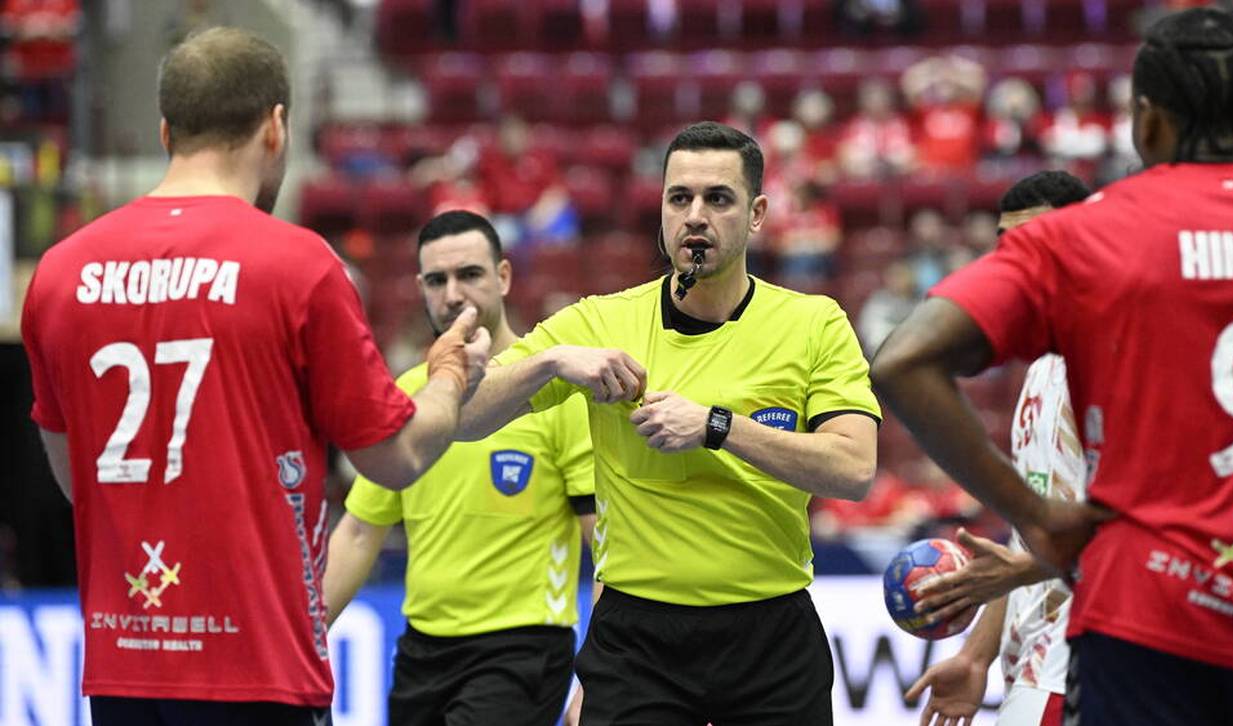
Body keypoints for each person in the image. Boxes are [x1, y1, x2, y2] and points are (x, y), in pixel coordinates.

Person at [19, 27, 489, 726]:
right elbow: (396, 458)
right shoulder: (297, 265)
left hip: (124, 671)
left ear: (165, 129)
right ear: (275, 127)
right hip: (260, 676)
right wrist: (450, 374)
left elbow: (74, 480)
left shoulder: (59, 274)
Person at [872, 8, 1233, 725]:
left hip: (1145, 618)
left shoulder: (1088, 235)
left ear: (1146, 122)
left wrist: (1038, 520)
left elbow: (906, 358)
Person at [460, 121, 881, 725]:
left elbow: (854, 468)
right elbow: (465, 418)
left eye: (719, 198)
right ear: (660, 209)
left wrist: (717, 426)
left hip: (771, 633)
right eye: (679, 198)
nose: (696, 216)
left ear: (757, 212)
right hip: (637, 642)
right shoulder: (599, 323)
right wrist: (549, 361)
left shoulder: (814, 323)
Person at [323, 210, 598, 726]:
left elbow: (606, 547)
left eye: (469, 274)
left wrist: (599, 678)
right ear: (420, 288)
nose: (452, 294)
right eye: (437, 280)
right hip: (421, 651)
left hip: (523, 649)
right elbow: (360, 531)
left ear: (504, 277)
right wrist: (302, 643)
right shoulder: (407, 396)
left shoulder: (555, 393)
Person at [903, 170, 1092, 726]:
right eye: (1008, 245)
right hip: (1029, 664)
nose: (1018, 261)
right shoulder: (1040, 368)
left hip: (1080, 667)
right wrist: (978, 653)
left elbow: (1132, 531)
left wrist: (1023, 570)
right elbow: (1028, 524)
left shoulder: (1113, 363)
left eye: (1038, 239)